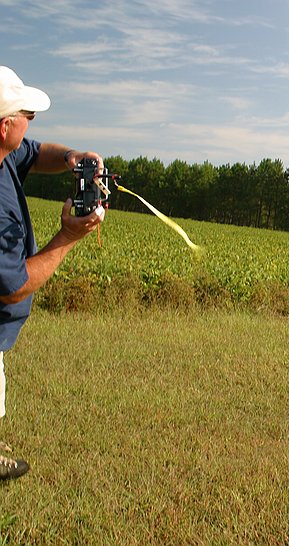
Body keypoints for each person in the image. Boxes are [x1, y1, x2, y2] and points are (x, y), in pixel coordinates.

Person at [0, 66, 106, 480]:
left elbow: (35, 150)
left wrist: (70, 158)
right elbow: (11, 286)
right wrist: (67, 237)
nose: (32, 121)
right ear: (5, 124)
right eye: (27, 113)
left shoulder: (6, 153)